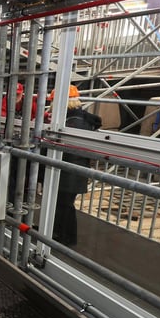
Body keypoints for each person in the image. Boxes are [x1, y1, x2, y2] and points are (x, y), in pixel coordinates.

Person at [51, 85, 102, 246]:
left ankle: (66, 238)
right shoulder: (76, 119)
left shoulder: (74, 122)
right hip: (71, 170)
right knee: (62, 204)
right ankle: (59, 232)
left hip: (70, 171)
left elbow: (68, 149)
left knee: (65, 205)